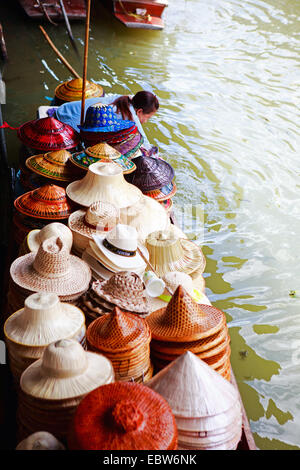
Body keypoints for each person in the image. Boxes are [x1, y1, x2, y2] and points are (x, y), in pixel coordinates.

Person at [54, 90, 159, 153]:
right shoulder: (130, 115)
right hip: (65, 122)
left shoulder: (125, 98)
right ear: (139, 111)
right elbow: (144, 140)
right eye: (148, 117)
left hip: (65, 109)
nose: (146, 121)